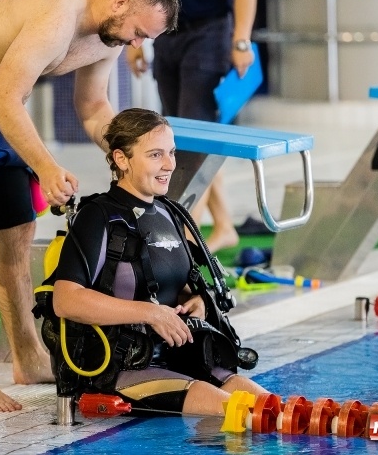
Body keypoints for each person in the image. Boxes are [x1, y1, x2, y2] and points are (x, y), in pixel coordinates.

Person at [0, 0, 180, 412]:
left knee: (17, 235)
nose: (135, 45)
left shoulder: (105, 37)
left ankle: (28, 357)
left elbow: (92, 108)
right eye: (138, 33)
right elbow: (4, 97)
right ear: (121, 3)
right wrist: (46, 166)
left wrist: (132, 158)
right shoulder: (57, 14)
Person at [43, 108, 266, 416]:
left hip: (178, 358)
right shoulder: (98, 216)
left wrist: (197, 301)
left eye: (171, 152)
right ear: (122, 159)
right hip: (119, 367)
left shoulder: (168, 213)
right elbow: (65, 300)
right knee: (243, 414)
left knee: (270, 405)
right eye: (155, 155)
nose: (170, 164)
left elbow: (178, 283)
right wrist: (150, 313)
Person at [126, 0, 258, 253]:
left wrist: (241, 39)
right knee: (180, 135)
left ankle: (184, 240)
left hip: (209, 33)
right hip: (166, 36)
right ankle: (225, 226)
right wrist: (134, 37)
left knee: (191, 143)